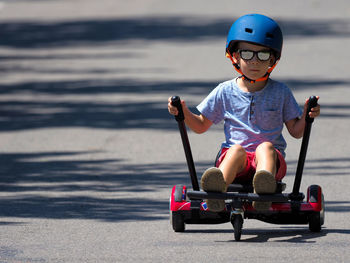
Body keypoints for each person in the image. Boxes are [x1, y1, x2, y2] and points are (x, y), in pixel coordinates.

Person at [167, 14, 320, 212]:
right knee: (235, 150)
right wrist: (183, 112)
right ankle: (217, 190)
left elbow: (296, 131)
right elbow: (200, 125)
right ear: (235, 57)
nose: (255, 62)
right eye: (247, 54)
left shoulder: (281, 92)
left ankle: (264, 191)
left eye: (262, 55)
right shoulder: (225, 91)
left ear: (273, 59)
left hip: (270, 162)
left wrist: (308, 113)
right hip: (236, 162)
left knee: (265, 147)